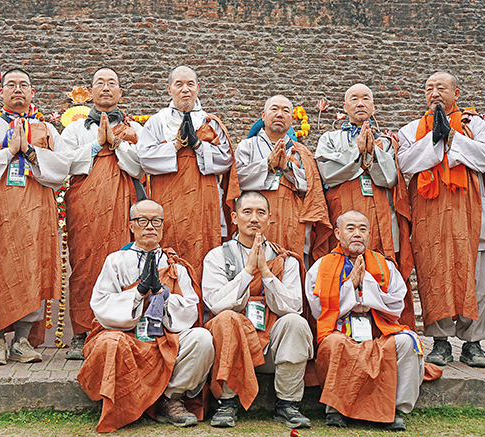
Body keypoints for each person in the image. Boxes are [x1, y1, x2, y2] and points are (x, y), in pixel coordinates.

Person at [76, 199, 214, 433]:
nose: (149, 226)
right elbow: (100, 305)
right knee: (110, 342)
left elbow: (190, 310)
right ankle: (125, 403)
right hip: (127, 336)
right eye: (143, 221)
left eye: (155, 221)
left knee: (202, 339)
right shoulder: (116, 260)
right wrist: (138, 294)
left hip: (164, 338)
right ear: (132, 226)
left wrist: (164, 295)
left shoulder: (175, 265)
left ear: (162, 226)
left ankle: (170, 399)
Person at [0, 68, 72, 366]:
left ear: (32, 93)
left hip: (37, 210)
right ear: (1, 92)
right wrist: (8, 151)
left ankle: (23, 340)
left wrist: (31, 153)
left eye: (24, 85)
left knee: (32, 268)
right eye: (11, 85)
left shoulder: (47, 130)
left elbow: (63, 165)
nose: (17, 90)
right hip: (0, 211)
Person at [397, 71, 485, 368]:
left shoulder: (474, 124)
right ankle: (440, 343)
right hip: (430, 215)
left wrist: (453, 138)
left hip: (469, 213)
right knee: (434, 276)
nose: (435, 93)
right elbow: (405, 163)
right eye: (429, 88)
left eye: (442, 87)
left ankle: (473, 343)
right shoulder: (413, 129)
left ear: (456, 94)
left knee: (475, 278)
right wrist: (435, 139)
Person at [306, 210, 432, 431]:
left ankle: (394, 409)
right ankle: (335, 409)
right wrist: (351, 286)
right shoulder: (322, 266)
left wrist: (367, 285)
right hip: (340, 331)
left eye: (363, 229)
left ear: (369, 234)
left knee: (408, 341)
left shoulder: (384, 265)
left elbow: (396, 303)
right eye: (351, 228)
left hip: (377, 330)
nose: (357, 234)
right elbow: (319, 308)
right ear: (337, 233)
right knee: (333, 344)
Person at [202, 191, 313, 429]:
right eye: (247, 212)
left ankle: (287, 404)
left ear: (270, 218)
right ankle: (227, 402)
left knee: (296, 323)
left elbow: (294, 307)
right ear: (234, 218)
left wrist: (266, 273)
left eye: (261, 213)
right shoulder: (217, 256)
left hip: (270, 345)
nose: (254, 218)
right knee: (227, 319)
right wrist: (247, 272)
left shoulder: (286, 260)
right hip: (232, 343)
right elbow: (215, 303)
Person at [314, 83, 416, 328]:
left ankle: (385, 326)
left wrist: (372, 152)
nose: (360, 103)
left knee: (381, 266)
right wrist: (356, 152)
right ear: (345, 106)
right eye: (354, 99)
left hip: (379, 217)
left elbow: (390, 177)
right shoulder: (330, 138)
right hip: (345, 212)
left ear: (373, 106)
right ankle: (341, 325)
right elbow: (327, 173)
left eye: (366, 99)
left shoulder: (386, 142)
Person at [61, 67, 144, 360]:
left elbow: (141, 166)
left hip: (123, 204)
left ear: (121, 93)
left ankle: (121, 327)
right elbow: (66, 164)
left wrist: (118, 143)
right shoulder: (74, 129)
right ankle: (81, 333)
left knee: (123, 263)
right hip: (86, 206)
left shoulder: (135, 130)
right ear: (90, 92)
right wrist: (97, 144)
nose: (106, 88)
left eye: (112, 83)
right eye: (100, 83)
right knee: (84, 265)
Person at [136, 66, 232, 281]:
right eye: (179, 84)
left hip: (203, 199)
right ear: (169, 89)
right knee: (170, 243)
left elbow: (225, 159)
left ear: (198, 88)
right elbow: (145, 159)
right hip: (170, 196)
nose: (185, 89)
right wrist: (176, 145)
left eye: (190, 84)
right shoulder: (158, 121)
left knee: (204, 245)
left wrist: (198, 145)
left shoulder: (210, 122)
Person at [230, 95, 330, 260]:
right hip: (255, 218)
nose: (279, 114)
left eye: (285, 111)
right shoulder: (247, 146)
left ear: (291, 119)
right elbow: (236, 180)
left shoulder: (301, 152)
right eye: (274, 109)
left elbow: (312, 186)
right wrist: (267, 164)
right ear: (263, 115)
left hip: (292, 219)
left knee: (291, 266)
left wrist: (287, 167)